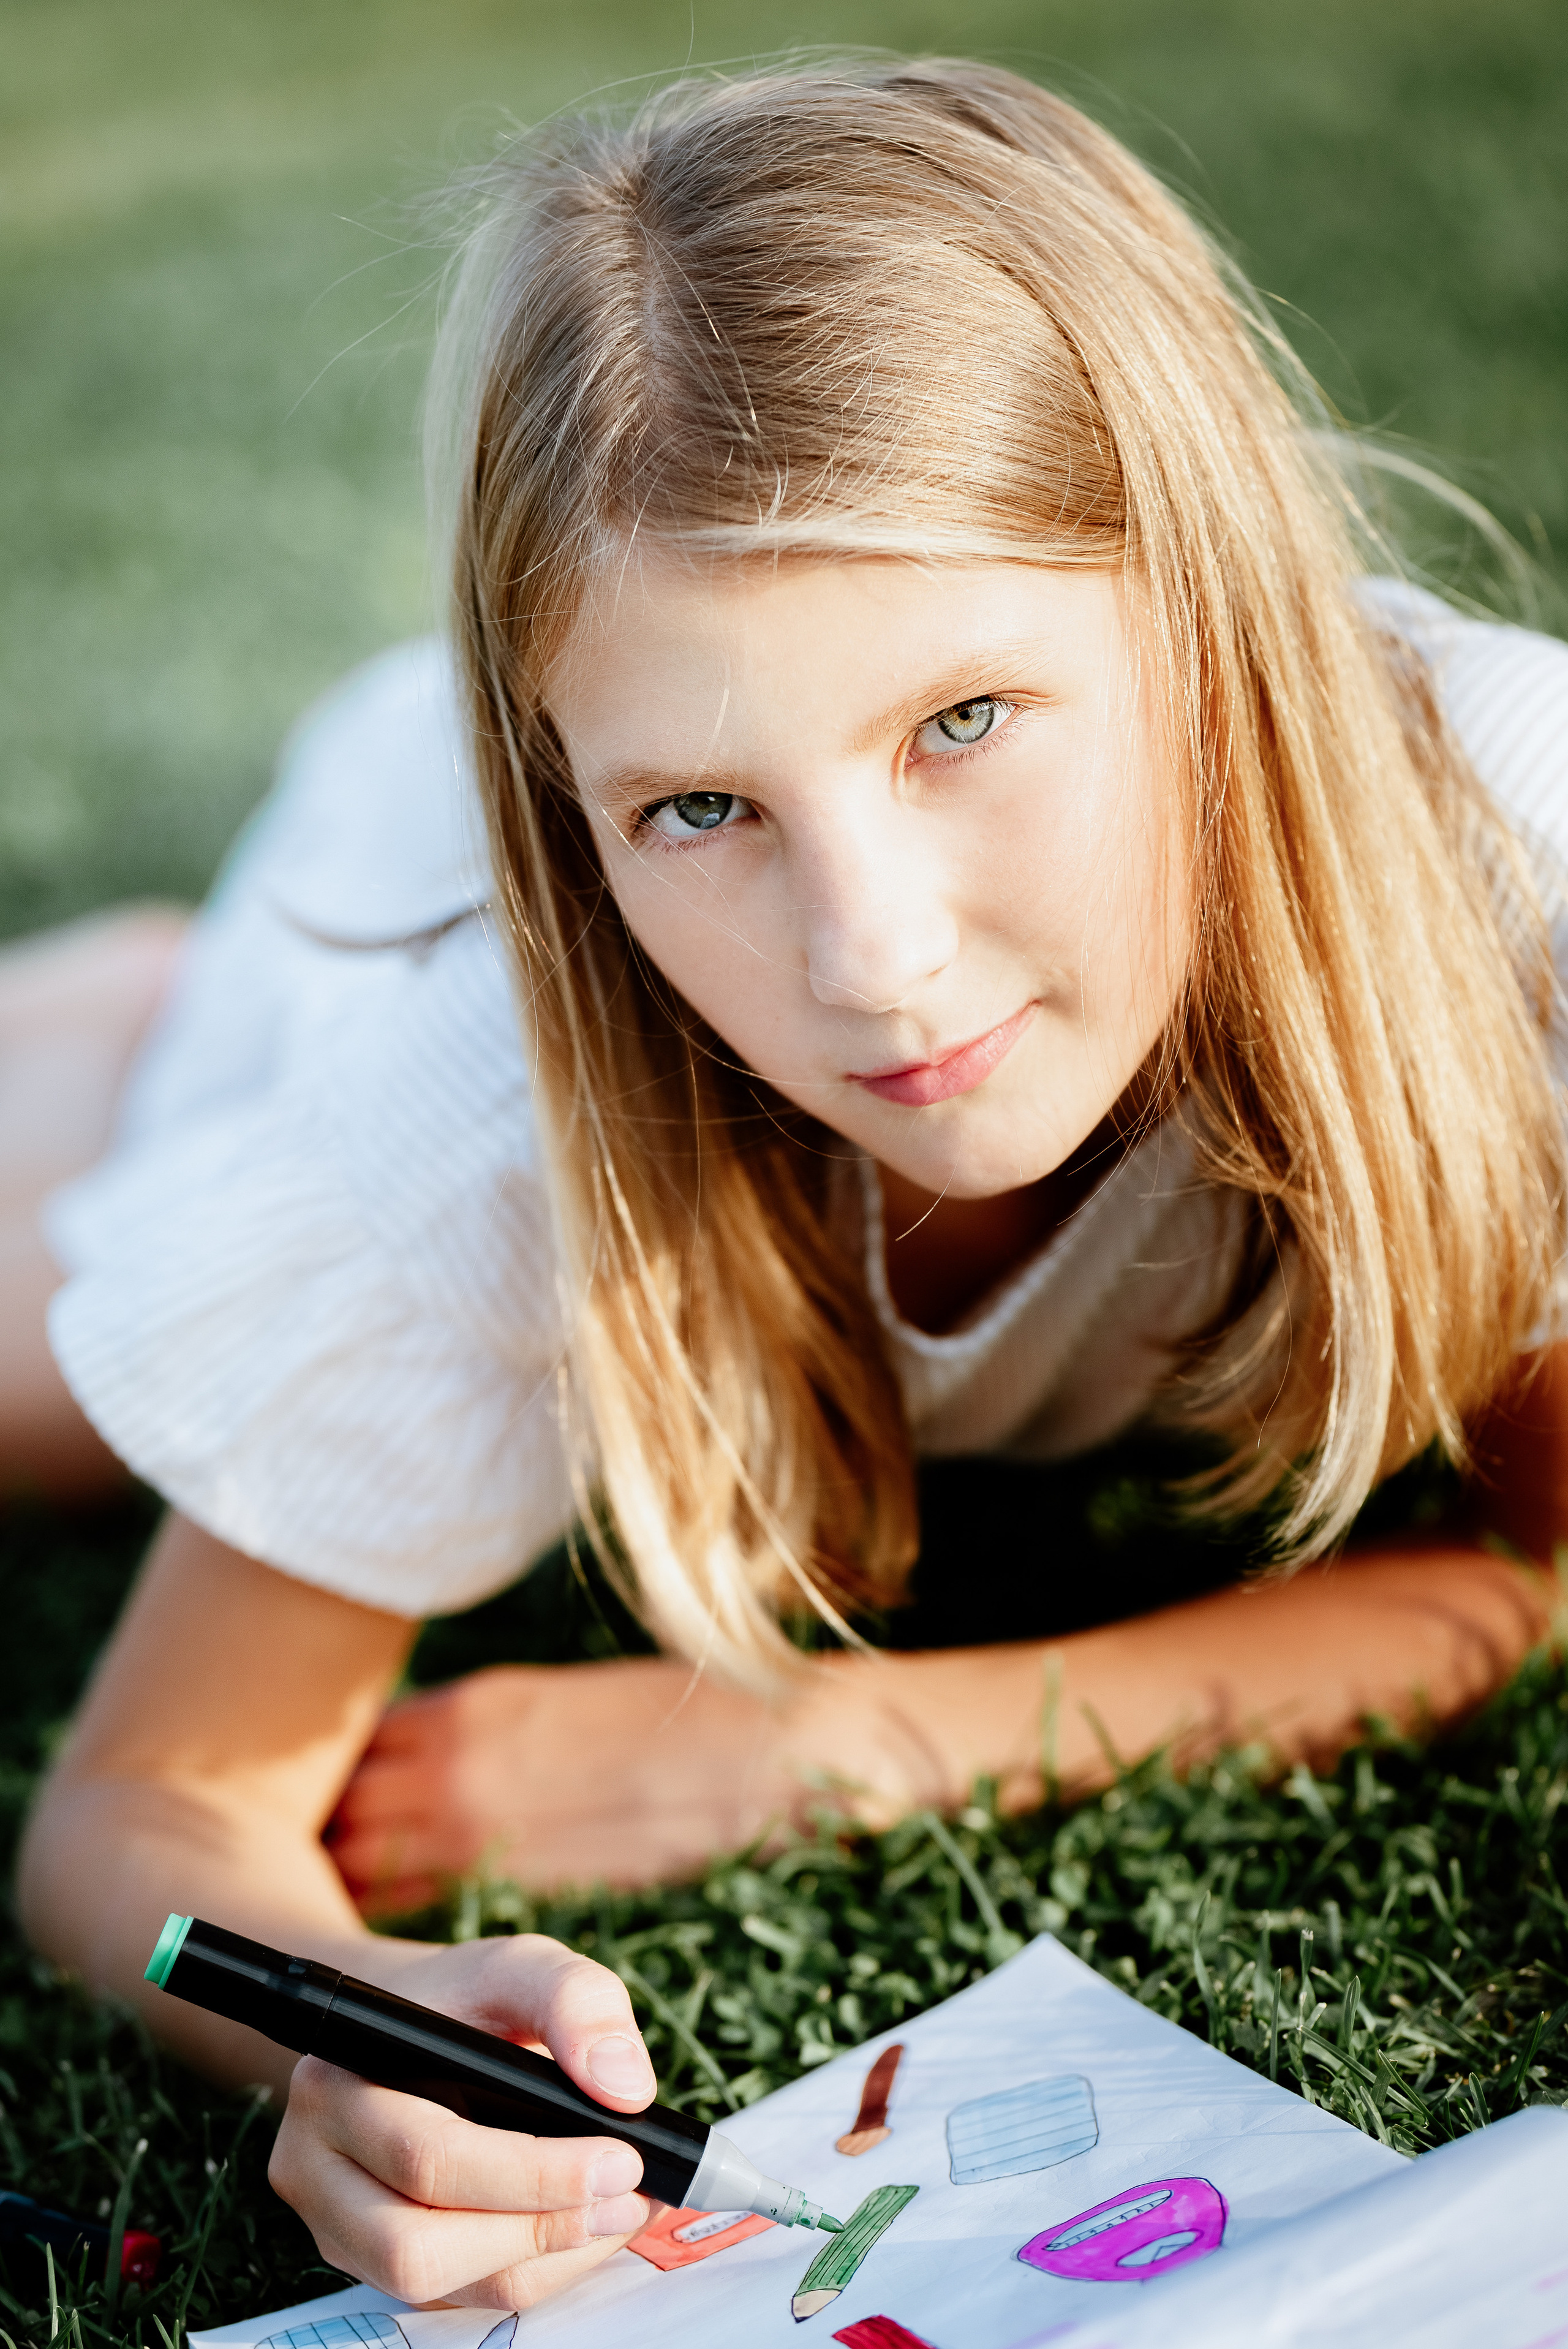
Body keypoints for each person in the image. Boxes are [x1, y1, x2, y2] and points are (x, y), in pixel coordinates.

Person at [12, 59, 1568, 2313]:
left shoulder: (1507, 887)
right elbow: (140, 1809)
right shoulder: (484, 1113)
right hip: (343, 966)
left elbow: (1538, 1560)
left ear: (1218, 612)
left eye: (965, 723)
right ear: (581, 818)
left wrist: (840, 1741)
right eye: (698, 812)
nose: (874, 957)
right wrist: (326, 2012)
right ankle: (162, 1024)